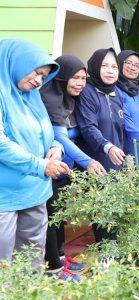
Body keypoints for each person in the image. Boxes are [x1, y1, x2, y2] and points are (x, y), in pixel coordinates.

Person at [0, 39, 68, 268]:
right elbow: (1, 144)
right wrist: (40, 166)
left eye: (43, 76)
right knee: (3, 261)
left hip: (36, 190)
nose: (39, 81)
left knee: (30, 259)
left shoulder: (31, 96)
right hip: (5, 197)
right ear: (18, 63)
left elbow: (48, 133)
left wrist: (56, 149)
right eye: (37, 72)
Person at [41, 55, 106, 280]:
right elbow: (60, 136)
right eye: (75, 78)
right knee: (50, 218)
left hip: (64, 169)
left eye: (83, 78)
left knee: (59, 216)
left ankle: (60, 258)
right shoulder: (50, 99)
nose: (80, 83)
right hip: (49, 168)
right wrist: (88, 162)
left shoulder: (69, 100)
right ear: (62, 77)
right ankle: (54, 269)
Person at [75, 48, 125, 242]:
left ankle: (116, 253)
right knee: (101, 213)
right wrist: (107, 146)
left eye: (114, 67)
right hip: (97, 162)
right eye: (105, 66)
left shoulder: (116, 93)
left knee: (116, 212)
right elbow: (88, 127)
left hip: (116, 163)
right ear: (95, 67)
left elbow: (121, 128)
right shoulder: (87, 92)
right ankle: (106, 256)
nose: (110, 71)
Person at [116, 50, 139, 168]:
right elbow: (126, 120)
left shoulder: (137, 90)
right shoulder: (116, 90)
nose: (133, 68)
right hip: (127, 149)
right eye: (129, 63)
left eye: (136, 65)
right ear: (120, 63)